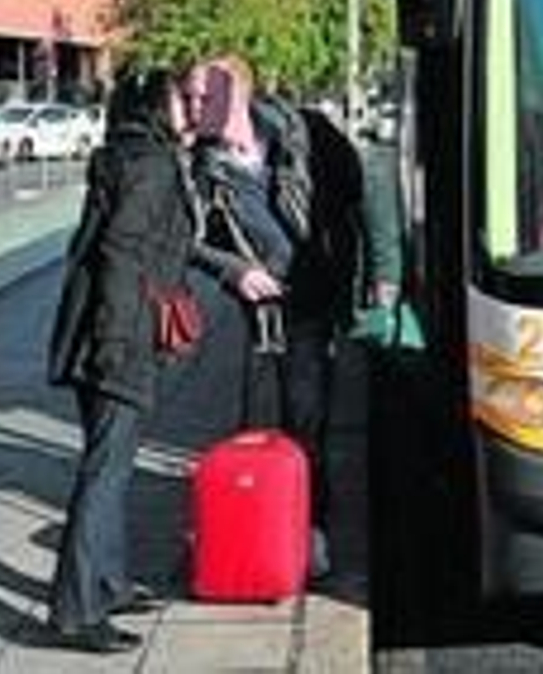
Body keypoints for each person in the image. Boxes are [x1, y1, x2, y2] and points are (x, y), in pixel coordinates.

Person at [183, 56, 366, 581]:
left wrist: (374, 275)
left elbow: (360, 195)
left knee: (307, 419)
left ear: (238, 95)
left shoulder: (306, 133)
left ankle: (312, 532)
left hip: (318, 297)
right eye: (190, 97)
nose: (194, 108)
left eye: (205, 97)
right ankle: (266, 530)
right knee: (264, 422)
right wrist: (234, 271)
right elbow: (186, 240)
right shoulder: (200, 167)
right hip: (265, 309)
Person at [43, 68, 206, 654]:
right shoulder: (153, 166)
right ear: (157, 107)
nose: (191, 109)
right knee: (105, 472)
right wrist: (114, 345)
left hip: (99, 330)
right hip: (121, 335)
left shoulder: (125, 155)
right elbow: (122, 252)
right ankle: (76, 610)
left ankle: (107, 582)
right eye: (180, 99)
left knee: (110, 462)